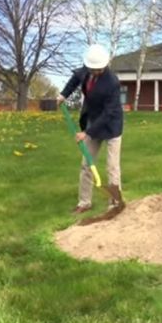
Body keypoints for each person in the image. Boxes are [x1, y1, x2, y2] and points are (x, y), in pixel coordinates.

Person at [57, 44, 124, 214]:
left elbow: (109, 113)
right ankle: (84, 202)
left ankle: (115, 203)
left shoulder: (112, 83)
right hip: (92, 120)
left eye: (99, 69)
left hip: (111, 126)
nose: (96, 72)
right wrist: (63, 94)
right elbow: (74, 80)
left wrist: (87, 132)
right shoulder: (85, 71)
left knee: (112, 167)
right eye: (93, 69)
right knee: (86, 164)